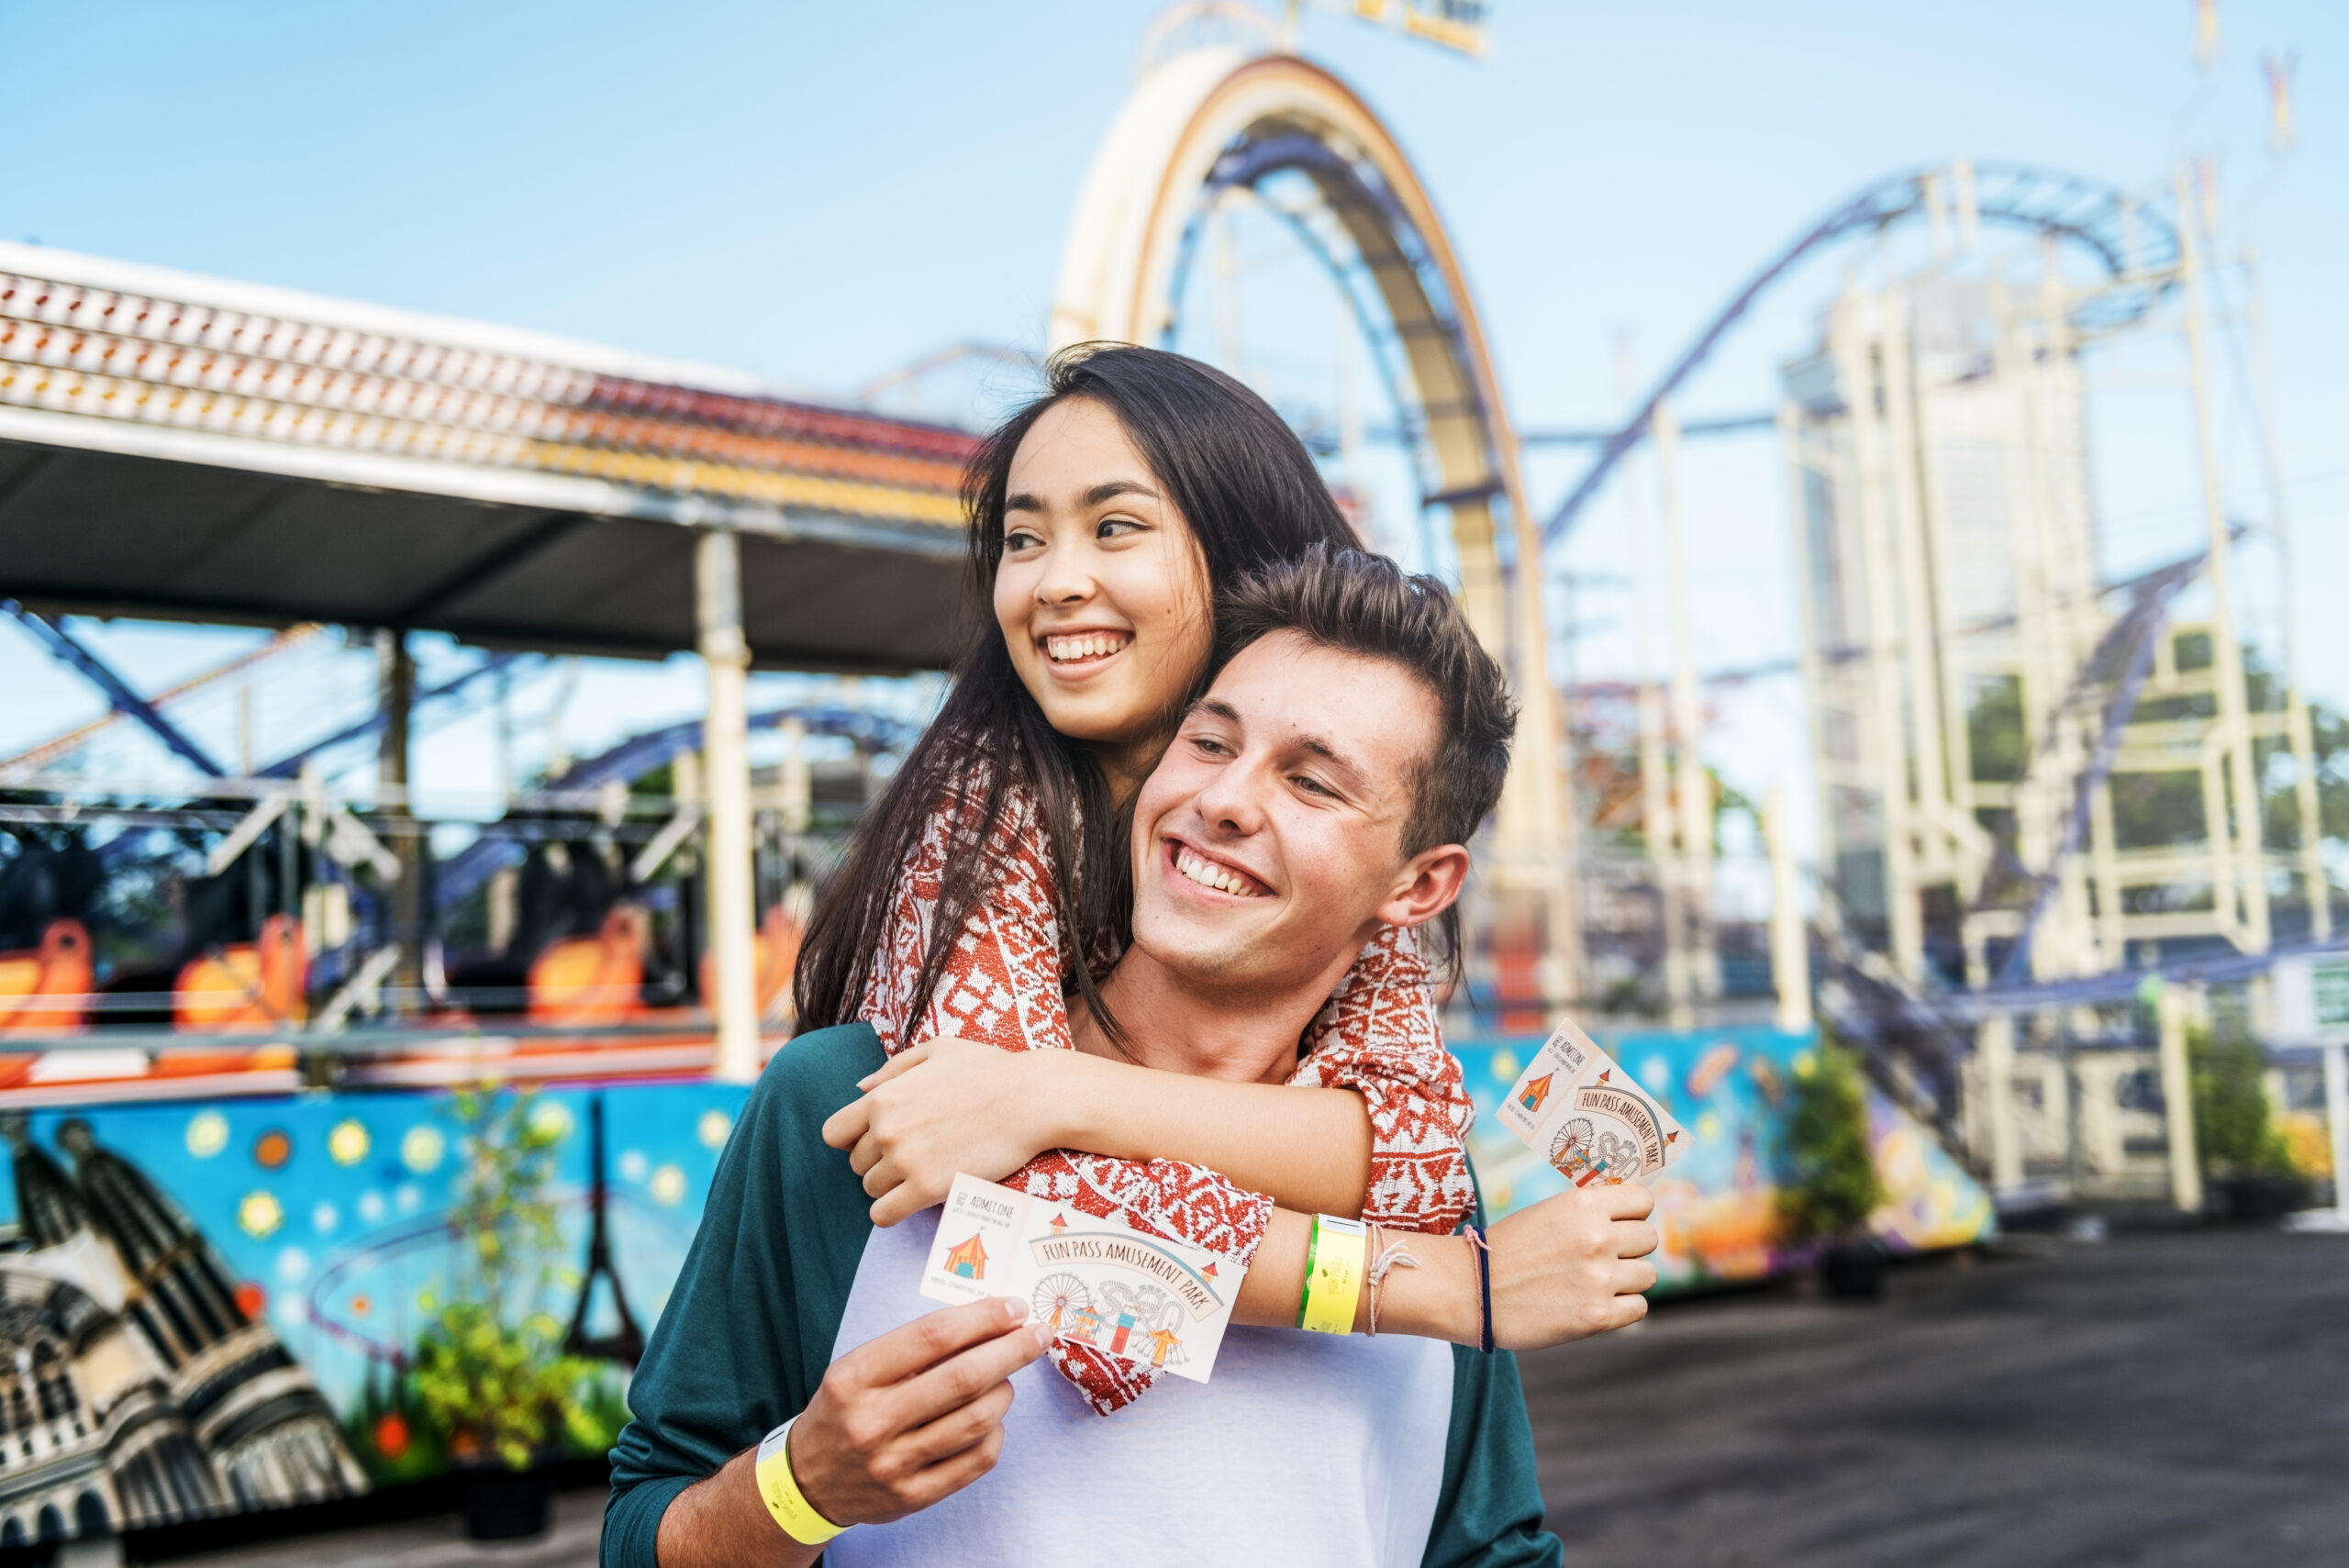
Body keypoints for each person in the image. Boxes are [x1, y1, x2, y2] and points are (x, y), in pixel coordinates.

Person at [607, 548, 1661, 1567]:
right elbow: (644, 1526)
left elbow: (1488, 1550)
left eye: (1312, 782)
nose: (1225, 798)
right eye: (1210, 742)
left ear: (1419, 886)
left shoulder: (1412, 1186)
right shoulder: (859, 1098)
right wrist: (799, 1486)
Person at [793, 346, 1480, 1417]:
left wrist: (1063, 1093)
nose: (1058, 578)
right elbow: (1049, 1251)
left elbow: (1423, 1160)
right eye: (1024, 538)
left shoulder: (1344, 880)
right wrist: (1429, 1284)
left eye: (1114, 527)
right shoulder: (977, 825)